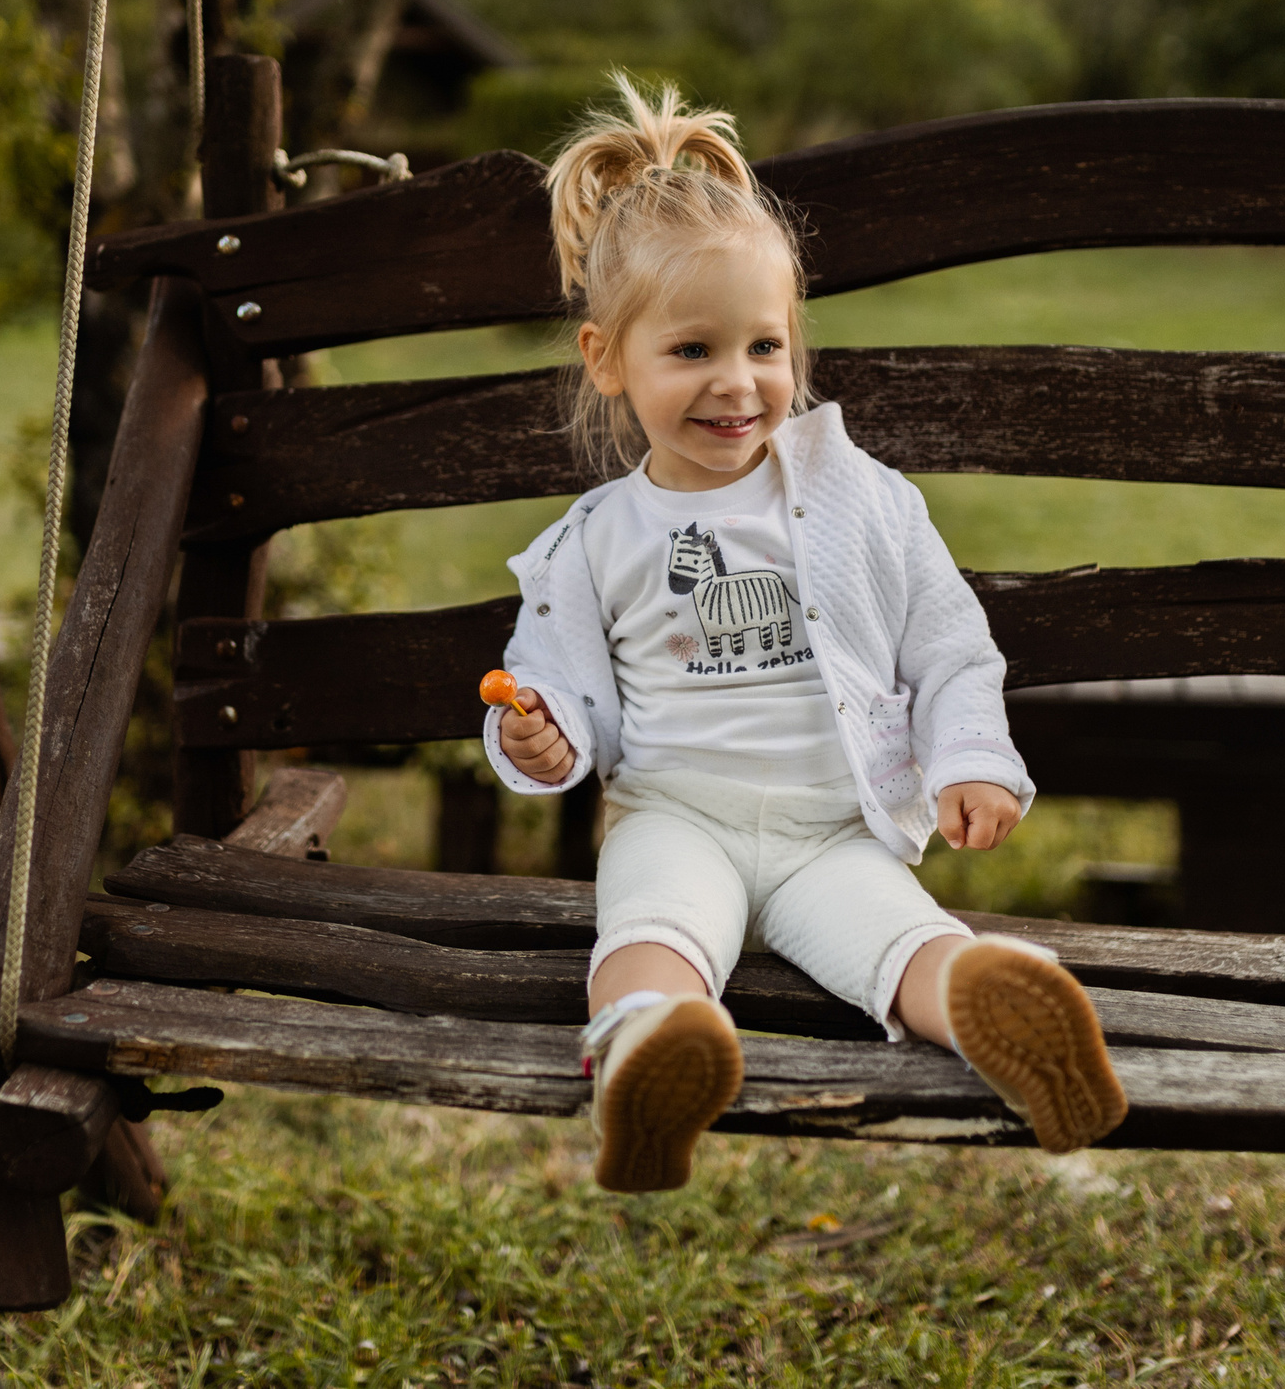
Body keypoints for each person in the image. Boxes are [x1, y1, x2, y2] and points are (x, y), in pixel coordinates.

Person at [481, 76, 1128, 1193]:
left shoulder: (857, 498)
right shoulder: (593, 540)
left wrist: (972, 757)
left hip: (837, 828)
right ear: (606, 358)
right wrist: (540, 742)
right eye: (690, 352)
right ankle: (653, 1050)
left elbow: (948, 645)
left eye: (764, 347)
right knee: (650, 929)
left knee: (901, 942)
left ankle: (995, 1013)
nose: (738, 384)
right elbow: (557, 696)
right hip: (678, 813)